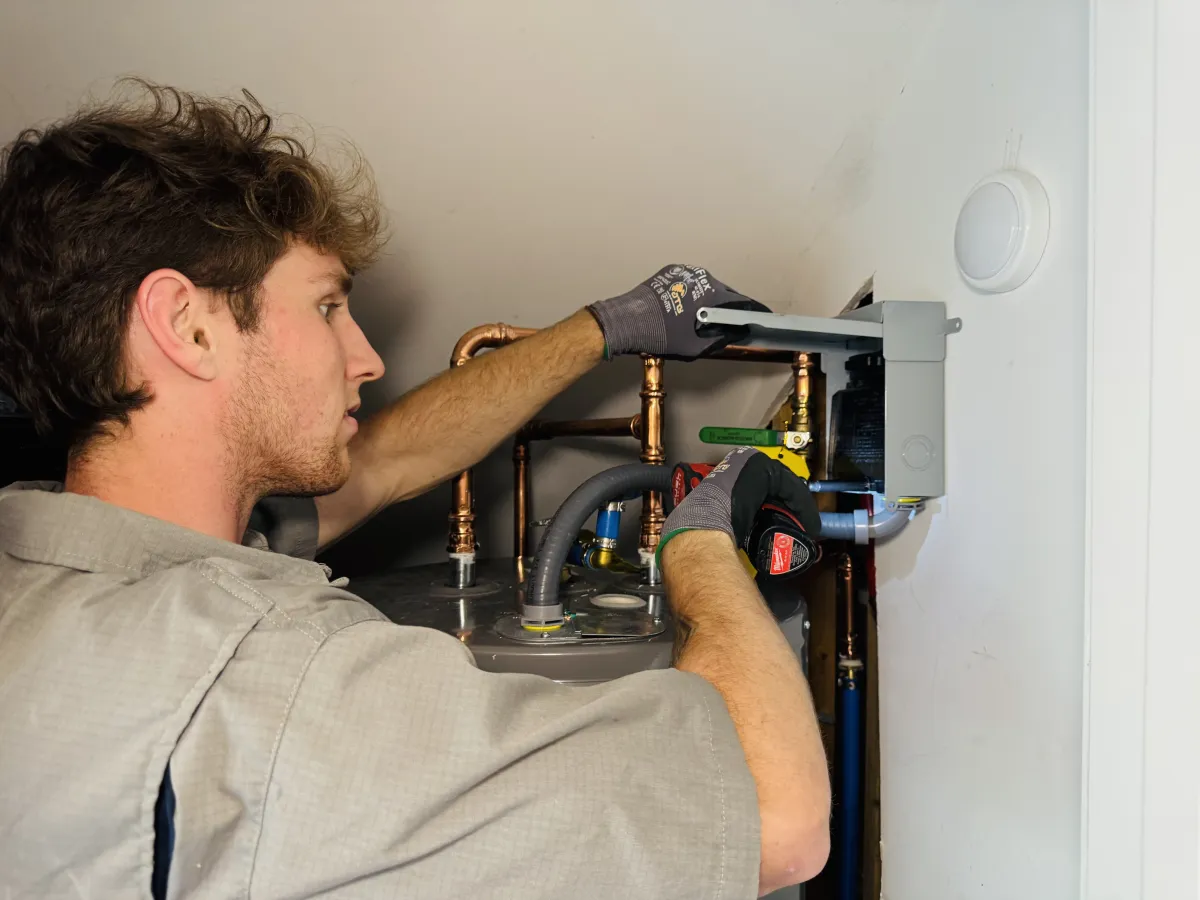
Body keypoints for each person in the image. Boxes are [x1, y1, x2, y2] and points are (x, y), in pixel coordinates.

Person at [0, 83, 830, 899]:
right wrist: (702, 546)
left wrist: (611, 325)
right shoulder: (285, 681)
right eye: (326, 306)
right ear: (186, 324)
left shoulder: (49, 563)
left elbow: (387, 462)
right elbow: (774, 821)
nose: (367, 358)